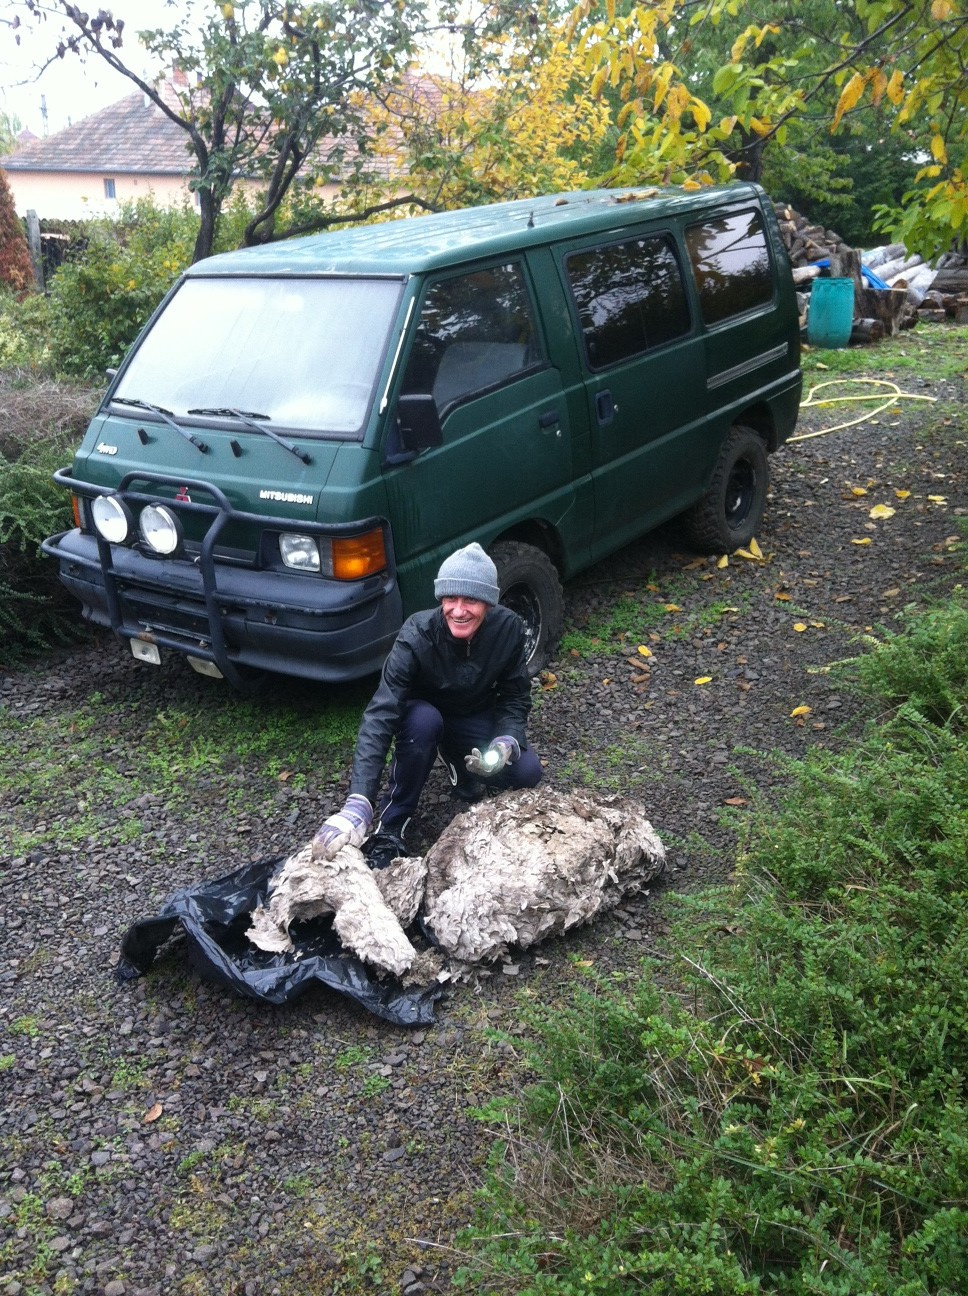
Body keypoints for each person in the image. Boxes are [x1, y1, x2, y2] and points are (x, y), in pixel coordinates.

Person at [312, 542, 542, 869]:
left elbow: (516, 694)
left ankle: (457, 761)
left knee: (527, 772)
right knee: (422, 721)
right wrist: (358, 802)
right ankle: (392, 826)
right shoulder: (417, 633)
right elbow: (381, 713)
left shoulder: (508, 629)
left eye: (471, 600)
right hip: (425, 717)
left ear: (489, 602)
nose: (458, 610)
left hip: (472, 713)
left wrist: (506, 741)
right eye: (450, 598)